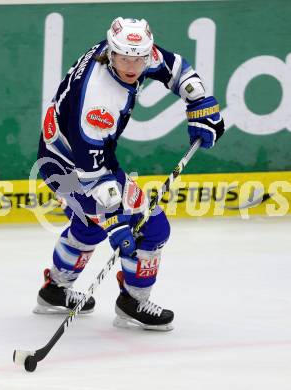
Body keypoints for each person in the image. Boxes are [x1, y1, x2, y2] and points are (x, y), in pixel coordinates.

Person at [34, 17, 225, 331]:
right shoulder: (98, 99)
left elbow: (177, 69)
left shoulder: (128, 52)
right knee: (150, 226)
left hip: (63, 153)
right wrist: (115, 220)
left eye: (139, 58)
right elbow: (92, 172)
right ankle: (133, 301)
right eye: (124, 58)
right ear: (111, 52)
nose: (133, 66)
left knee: (89, 225)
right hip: (71, 166)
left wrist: (200, 102)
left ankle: (54, 290)